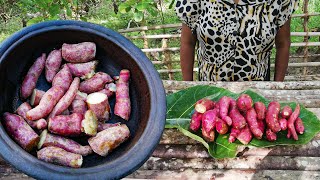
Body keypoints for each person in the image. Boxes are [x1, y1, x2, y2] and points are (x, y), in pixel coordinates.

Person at [175, 0, 298, 81]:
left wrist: (277, 88)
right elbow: (188, 42)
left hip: (257, 93)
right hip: (210, 91)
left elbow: (283, 44)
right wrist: (188, 88)